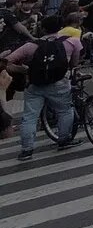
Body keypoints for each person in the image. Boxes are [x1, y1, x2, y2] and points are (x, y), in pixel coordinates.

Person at [4, 14, 80, 161]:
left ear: (43, 29)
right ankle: (64, 140)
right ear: (61, 28)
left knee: (30, 117)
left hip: (35, 85)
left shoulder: (30, 46)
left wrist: (24, 70)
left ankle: (27, 150)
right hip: (60, 84)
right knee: (65, 111)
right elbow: (74, 64)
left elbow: (6, 62)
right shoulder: (72, 42)